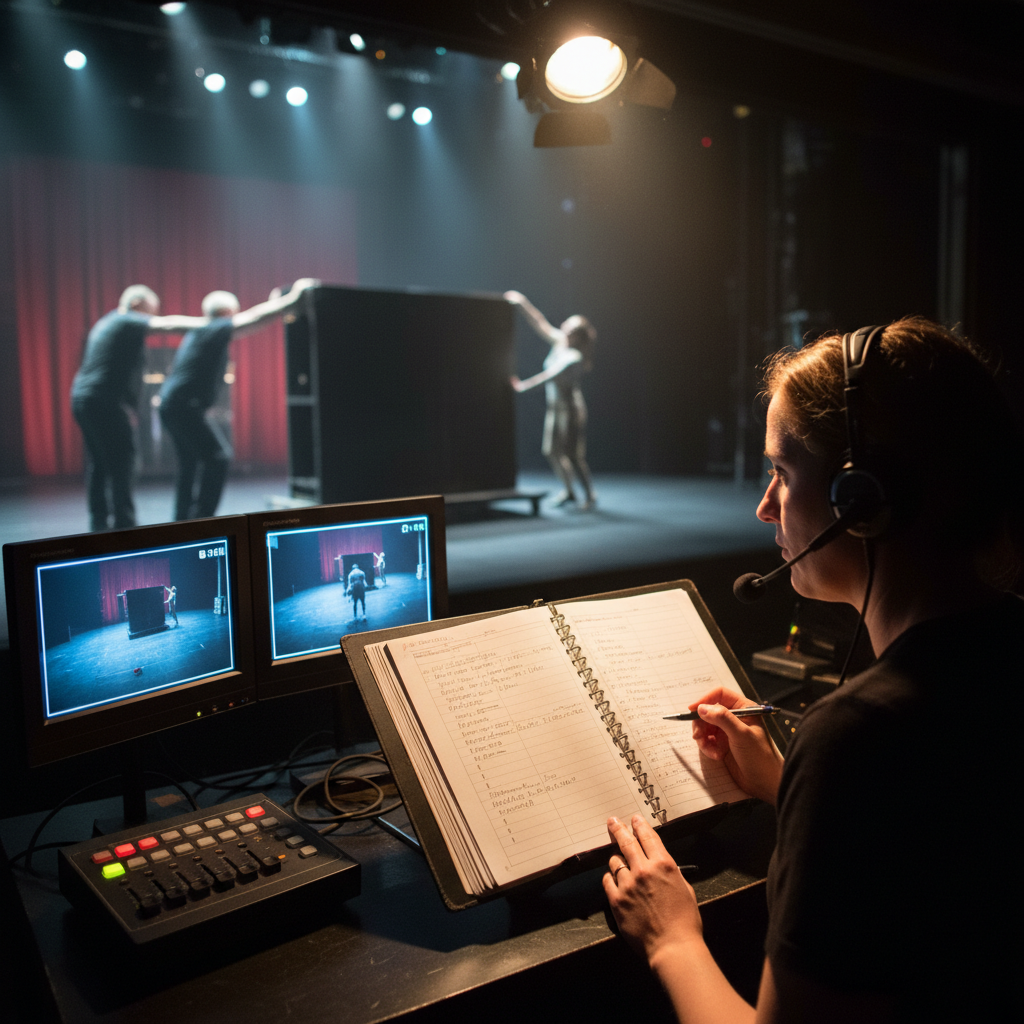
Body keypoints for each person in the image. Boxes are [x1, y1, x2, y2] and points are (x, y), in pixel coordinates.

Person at [602, 316, 1022, 1024]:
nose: (764, 505)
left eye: (781, 472)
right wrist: (783, 781)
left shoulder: (860, 737)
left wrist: (670, 934)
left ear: (858, 501)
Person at [159, 279, 319, 521]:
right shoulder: (215, 328)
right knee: (217, 457)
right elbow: (254, 319)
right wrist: (293, 299)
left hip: (172, 405)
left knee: (190, 463)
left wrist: (275, 304)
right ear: (228, 313)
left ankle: (182, 519)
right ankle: (202, 518)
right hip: (182, 407)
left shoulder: (202, 331)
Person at [71, 285, 208, 531]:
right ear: (136, 305)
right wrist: (210, 325)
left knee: (101, 463)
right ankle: (124, 524)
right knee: (124, 461)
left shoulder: (107, 322)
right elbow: (167, 326)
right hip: (103, 401)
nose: (151, 318)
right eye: (150, 312)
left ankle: (99, 521)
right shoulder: (127, 320)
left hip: (84, 398)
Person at [506, 290, 597, 510]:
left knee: (573, 455)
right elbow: (540, 323)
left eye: (569, 326)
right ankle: (569, 491)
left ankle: (589, 496)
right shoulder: (559, 342)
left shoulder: (573, 356)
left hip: (571, 409)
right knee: (551, 451)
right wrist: (522, 303)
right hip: (554, 408)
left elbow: (551, 375)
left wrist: (523, 386)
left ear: (576, 335)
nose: (564, 326)